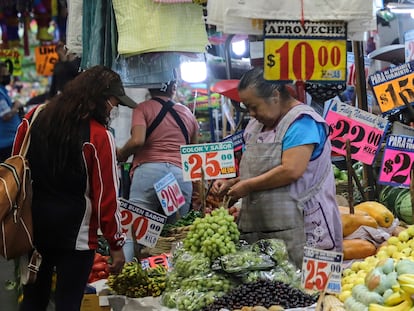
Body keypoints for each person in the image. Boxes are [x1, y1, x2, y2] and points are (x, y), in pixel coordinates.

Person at [12, 65, 137, 311]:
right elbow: (107, 197)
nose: (116, 109)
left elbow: (16, 164)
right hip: (76, 237)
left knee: (33, 299)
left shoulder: (35, 116)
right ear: (100, 99)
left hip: (33, 227)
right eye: (114, 102)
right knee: (68, 303)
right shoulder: (99, 135)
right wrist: (116, 245)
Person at [213, 67, 343, 268]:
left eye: (254, 106)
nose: (252, 114)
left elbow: (290, 170)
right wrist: (233, 182)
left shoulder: (303, 122)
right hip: (264, 229)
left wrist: (247, 187)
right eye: (247, 108)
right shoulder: (255, 126)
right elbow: (262, 170)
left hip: (305, 225)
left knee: (312, 293)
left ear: (275, 95)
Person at [117, 79, 199, 261]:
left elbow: (138, 140)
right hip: (179, 176)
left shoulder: (143, 108)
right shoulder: (188, 114)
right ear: (174, 88)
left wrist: (121, 154)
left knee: (134, 231)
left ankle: (126, 275)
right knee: (175, 233)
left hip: (148, 173)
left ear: (149, 87)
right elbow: (193, 157)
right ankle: (173, 279)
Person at [0, 62, 22, 162]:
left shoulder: (2, 90)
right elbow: (6, 116)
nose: (8, 75)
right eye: (5, 73)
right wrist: (16, 107)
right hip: (6, 143)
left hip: (10, 140)